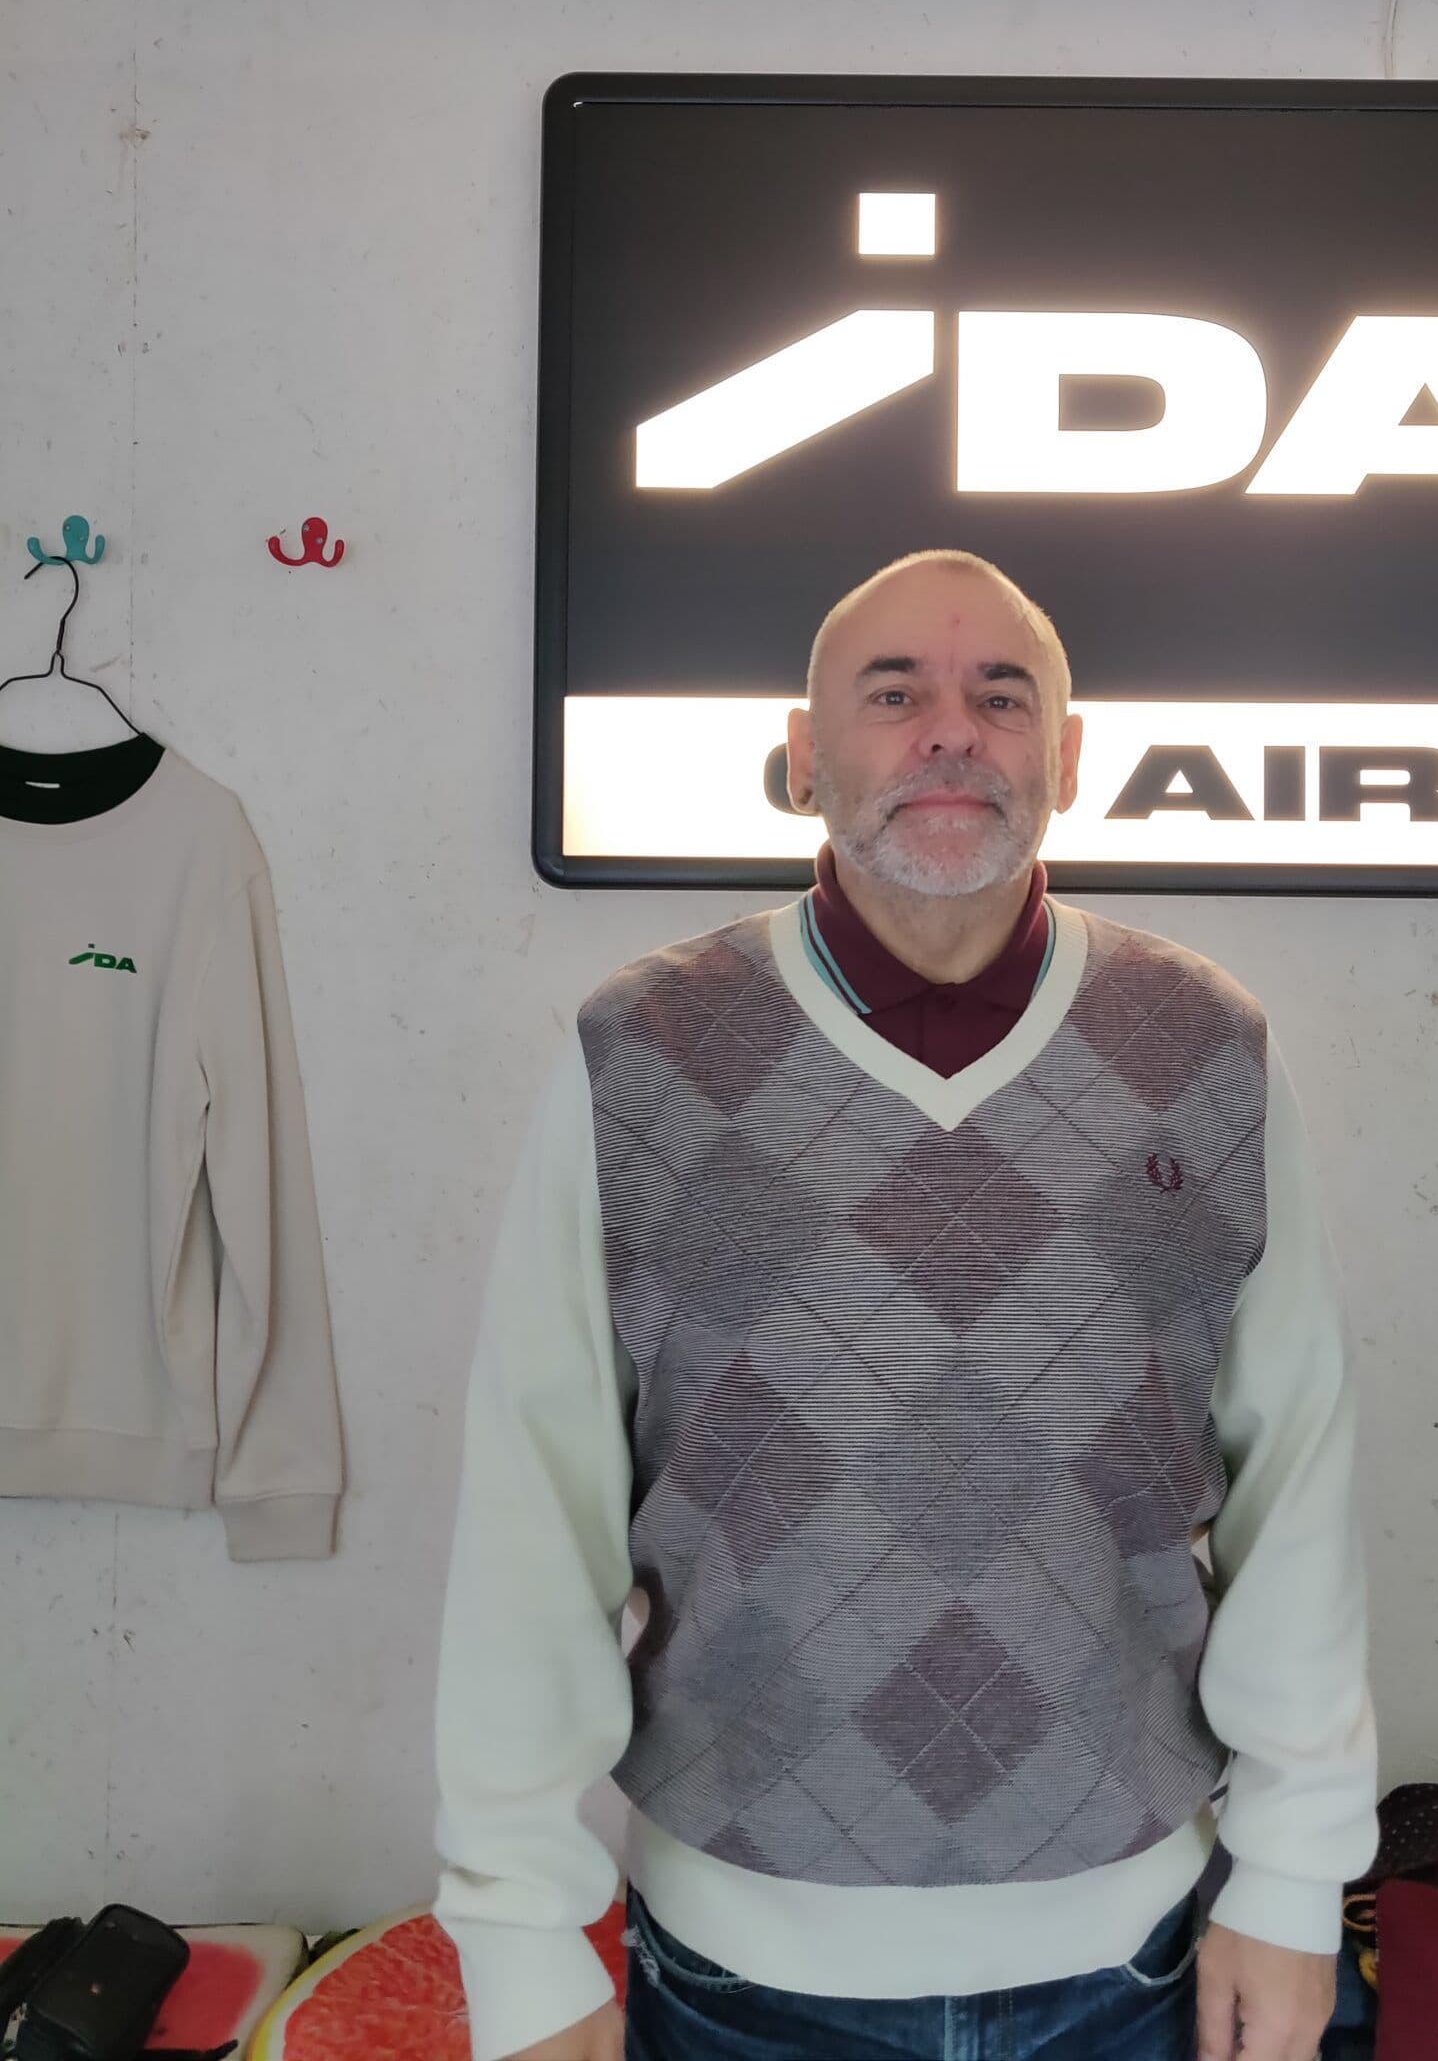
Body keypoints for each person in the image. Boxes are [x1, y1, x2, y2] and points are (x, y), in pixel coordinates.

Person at [431, 547, 1378, 2061]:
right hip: (737, 1974)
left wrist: (1295, 1877)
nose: (952, 731)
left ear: (1067, 758)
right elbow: (533, 1512)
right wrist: (522, 1933)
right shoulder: (643, 1055)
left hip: (1133, 1959)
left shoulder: (1205, 1048)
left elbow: (1300, 1489)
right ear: (805, 757)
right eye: (894, 696)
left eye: (1002, 697)